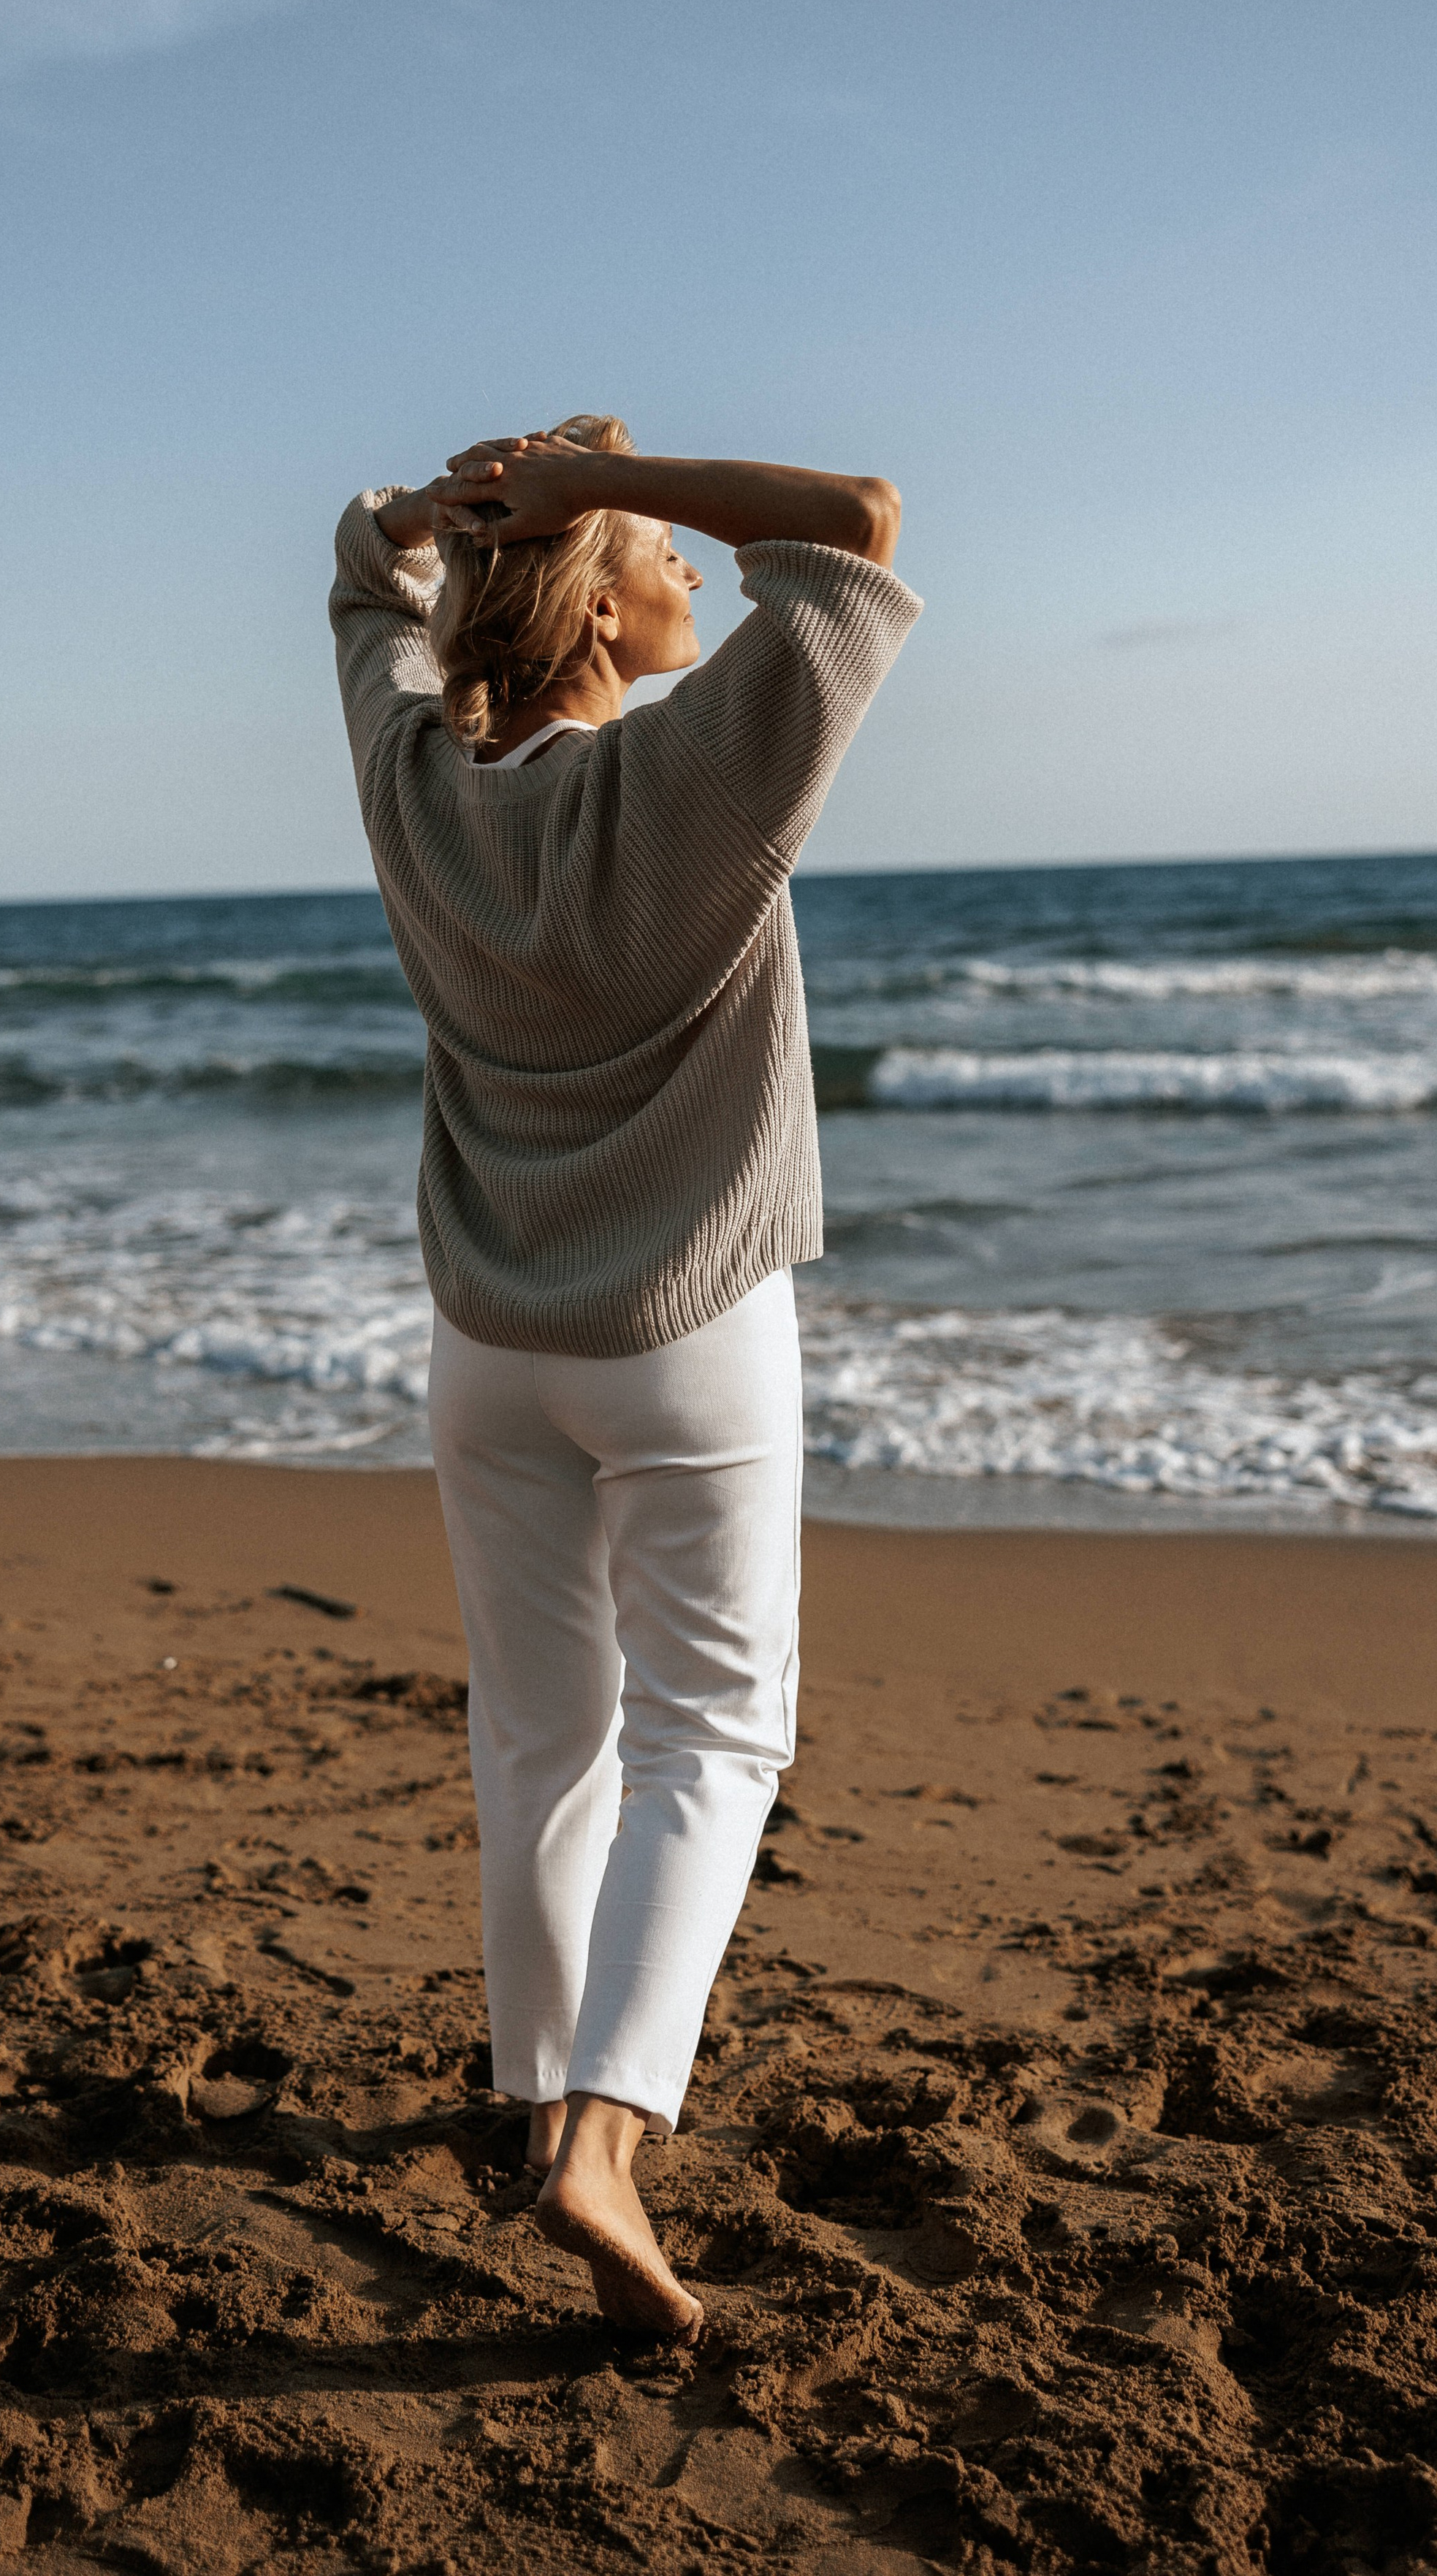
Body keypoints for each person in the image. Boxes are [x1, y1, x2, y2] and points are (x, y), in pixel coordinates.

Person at [331, 418, 918, 2336]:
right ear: (591, 585)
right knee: (714, 1739)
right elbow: (854, 532)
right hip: (685, 1336)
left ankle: (527, 2089)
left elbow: (361, 572)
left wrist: (465, 507)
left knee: (541, 1729)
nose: (686, 564)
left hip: (488, 1344)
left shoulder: (419, 783)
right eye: (657, 547)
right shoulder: (699, 777)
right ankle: (603, 2135)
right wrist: (621, 463)